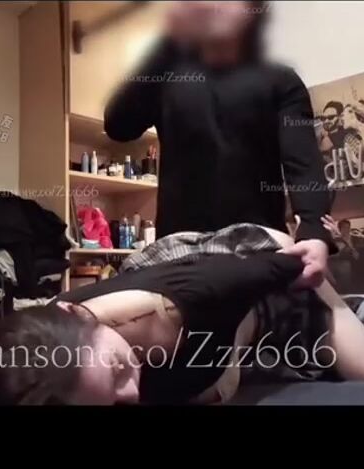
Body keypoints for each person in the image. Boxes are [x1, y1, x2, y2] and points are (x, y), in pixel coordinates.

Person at [0, 227, 364, 406]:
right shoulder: (31, 360)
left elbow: (296, 260)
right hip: (211, 339)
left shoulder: (191, 299)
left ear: (80, 316)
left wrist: (314, 249)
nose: (132, 394)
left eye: (118, 371)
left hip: (260, 271)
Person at [104, 0, 335, 287]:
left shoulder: (282, 81)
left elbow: (302, 163)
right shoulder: (165, 77)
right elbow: (118, 126)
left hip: (257, 247)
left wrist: (314, 232)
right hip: (178, 253)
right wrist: (168, 43)